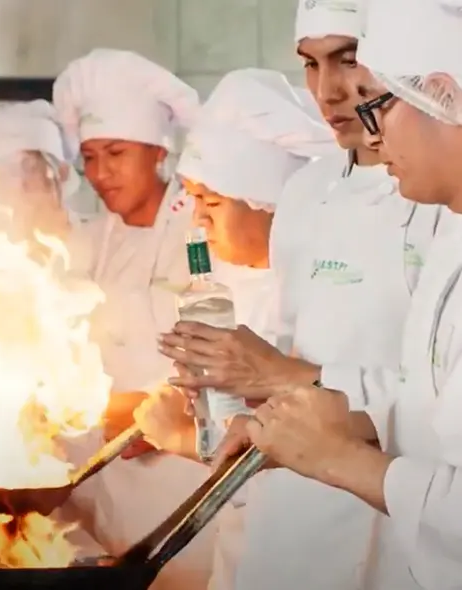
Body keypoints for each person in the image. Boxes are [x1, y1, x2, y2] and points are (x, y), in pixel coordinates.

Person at [156, 3, 444, 589]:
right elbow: (291, 350)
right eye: (310, 64)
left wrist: (283, 377)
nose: (328, 91)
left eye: (348, 59)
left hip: (390, 517)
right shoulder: (305, 192)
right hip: (290, 511)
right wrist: (238, 394)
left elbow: (431, 400)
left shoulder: (437, 197)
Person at [111, 68, 336, 590]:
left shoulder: (314, 300)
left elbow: (311, 441)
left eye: (211, 201)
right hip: (246, 544)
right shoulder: (234, 285)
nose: (198, 220)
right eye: (192, 198)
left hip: (307, 552)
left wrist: (186, 439)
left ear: (270, 203)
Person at [51, 48, 211, 589]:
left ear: (159, 150)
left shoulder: (203, 229)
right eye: (89, 157)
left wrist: (155, 409)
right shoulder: (96, 237)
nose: (100, 174)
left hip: (181, 483)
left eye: (116, 153)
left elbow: (230, 354)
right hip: (104, 477)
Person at [0, 100, 78, 244]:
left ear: (61, 174)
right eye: (11, 171)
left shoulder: (83, 240)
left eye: (31, 168)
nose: (24, 183)